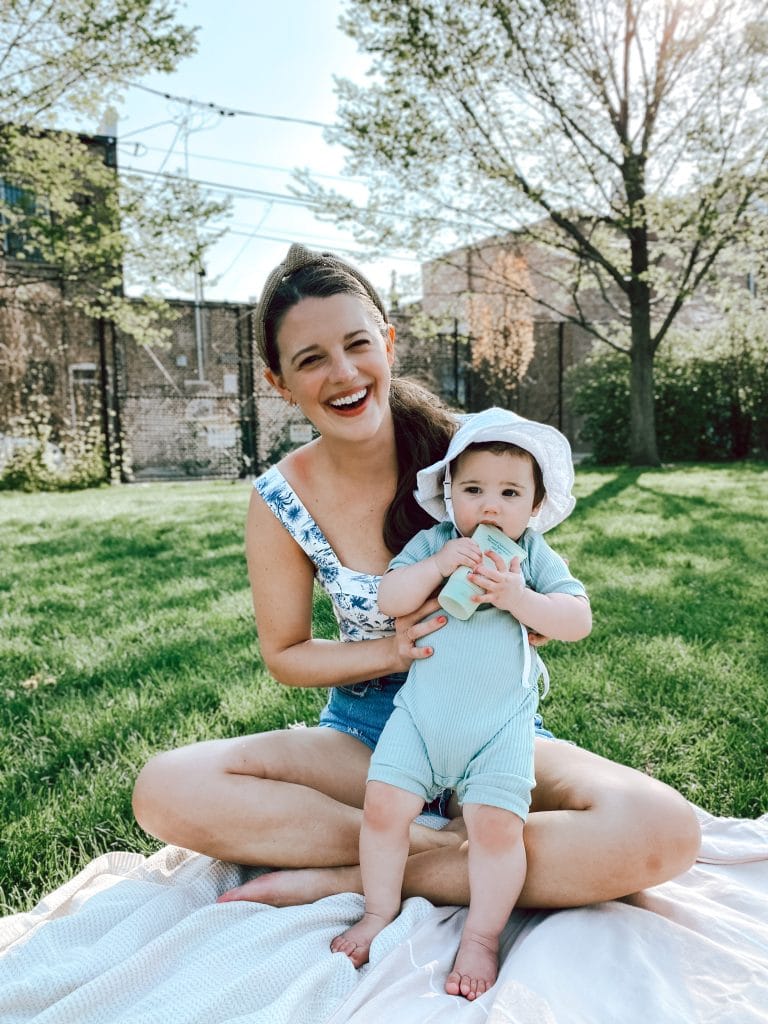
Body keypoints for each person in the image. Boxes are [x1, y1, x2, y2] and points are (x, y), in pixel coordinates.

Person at [131, 243, 700, 978]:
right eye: (311, 360)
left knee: (662, 830)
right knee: (166, 788)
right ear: (279, 382)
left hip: (494, 723)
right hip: (368, 740)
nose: (343, 373)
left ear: (388, 343)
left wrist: (522, 607)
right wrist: (392, 653)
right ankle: (432, 847)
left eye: (358, 344)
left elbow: (549, 594)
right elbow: (287, 654)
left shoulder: (475, 454)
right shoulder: (280, 498)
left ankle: (367, 875)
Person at [331, 408, 592, 998]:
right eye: (473, 490)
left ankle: (481, 934)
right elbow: (392, 599)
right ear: (450, 496)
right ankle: (377, 911)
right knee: (382, 811)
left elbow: (577, 619)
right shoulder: (436, 543)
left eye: (509, 493)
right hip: (420, 719)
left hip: (499, 727)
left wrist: (522, 599)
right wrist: (440, 564)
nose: (490, 507)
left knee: (498, 830)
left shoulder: (531, 556)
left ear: (533, 506)